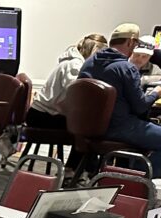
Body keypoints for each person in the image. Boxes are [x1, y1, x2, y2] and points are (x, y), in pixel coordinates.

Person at [79, 23, 161, 178]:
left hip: (87, 128)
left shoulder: (89, 63)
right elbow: (140, 107)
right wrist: (156, 93)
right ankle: (137, 180)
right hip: (118, 127)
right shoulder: (126, 68)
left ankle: (126, 175)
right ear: (130, 42)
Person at [26, 34, 107, 173]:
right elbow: (75, 93)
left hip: (40, 113)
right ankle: (74, 170)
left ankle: (77, 169)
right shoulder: (75, 65)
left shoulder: (70, 62)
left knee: (86, 127)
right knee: (86, 130)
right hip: (43, 116)